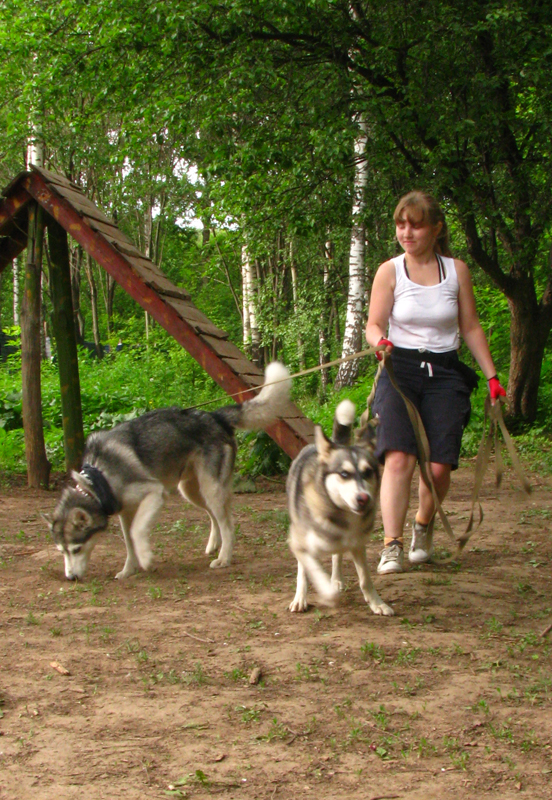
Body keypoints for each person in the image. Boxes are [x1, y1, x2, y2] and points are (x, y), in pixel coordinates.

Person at [365, 191, 506, 575]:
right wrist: (380, 343)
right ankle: (391, 544)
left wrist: (492, 376)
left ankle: (423, 526)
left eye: (415, 225)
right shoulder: (389, 271)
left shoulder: (456, 271)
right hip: (399, 370)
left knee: (440, 468)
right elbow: (374, 323)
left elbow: (470, 326)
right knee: (398, 457)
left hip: (445, 373)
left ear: (436, 229)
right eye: (401, 224)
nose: (406, 233)